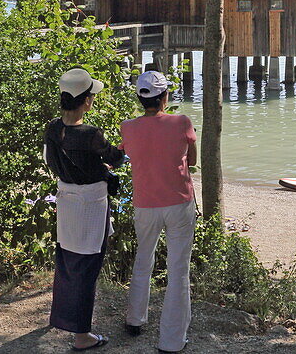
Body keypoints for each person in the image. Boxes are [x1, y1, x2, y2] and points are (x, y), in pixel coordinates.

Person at [44, 68, 125, 352]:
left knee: (66, 261)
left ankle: (60, 317)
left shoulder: (53, 127)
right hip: (90, 204)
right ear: (86, 100)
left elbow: (55, 161)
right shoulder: (90, 133)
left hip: (66, 200)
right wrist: (122, 149)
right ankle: (81, 335)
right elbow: (116, 157)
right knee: (88, 266)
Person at [120, 71, 198, 354]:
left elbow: (126, 154)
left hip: (144, 204)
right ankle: (172, 341)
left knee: (144, 256)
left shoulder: (126, 127)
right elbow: (192, 160)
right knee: (178, 269)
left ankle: (135, 319)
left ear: (140, 99)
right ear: (165, 97)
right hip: (178, 202)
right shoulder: (182, 122)